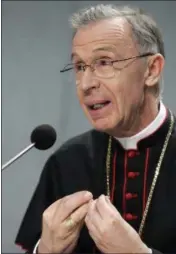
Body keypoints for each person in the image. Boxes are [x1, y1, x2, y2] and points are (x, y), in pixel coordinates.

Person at [15, 4, 176, 254]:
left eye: (104, 62)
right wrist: (46, 249)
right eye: (79, 67)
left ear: (151, 70)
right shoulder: (67, 161)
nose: (87, 84)